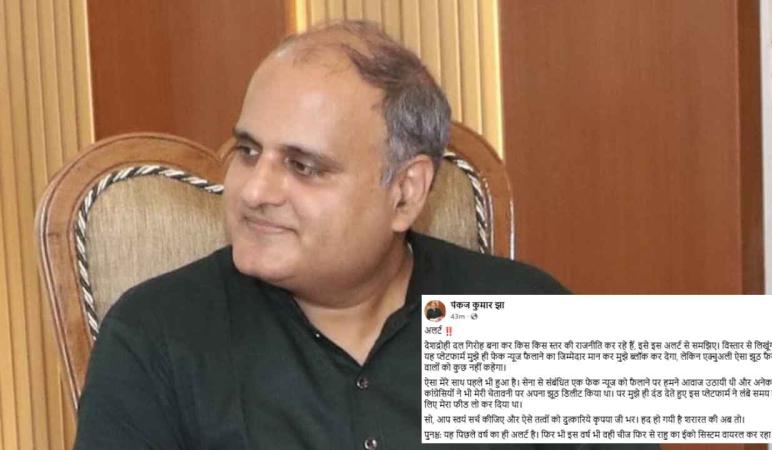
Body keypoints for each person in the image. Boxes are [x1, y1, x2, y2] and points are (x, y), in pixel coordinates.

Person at [74, 20, 653, 450]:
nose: (254, 191)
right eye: (249, 152)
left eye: (303, 166)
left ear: (405, 192)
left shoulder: (528, 318)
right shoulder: (158, 337)